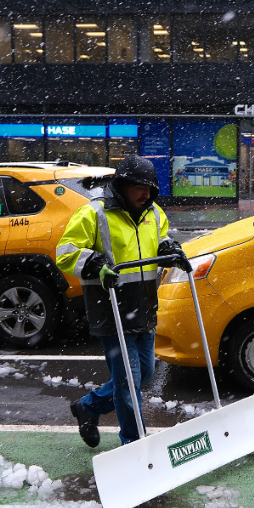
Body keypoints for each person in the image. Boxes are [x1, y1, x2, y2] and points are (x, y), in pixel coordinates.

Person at [56, 154, 191, 447]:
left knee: (144, 373)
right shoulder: (94, 214)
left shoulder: (154, 214)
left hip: (143, 308)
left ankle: (89, 407)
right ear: (122, 186)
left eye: (150, 189)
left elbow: (161, 238)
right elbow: (65, 252)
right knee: (128, 383)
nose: (146, 194)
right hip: (112, 310)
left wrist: (171, 249)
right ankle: (134, 442)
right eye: (139, 188)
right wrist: (93, 263)